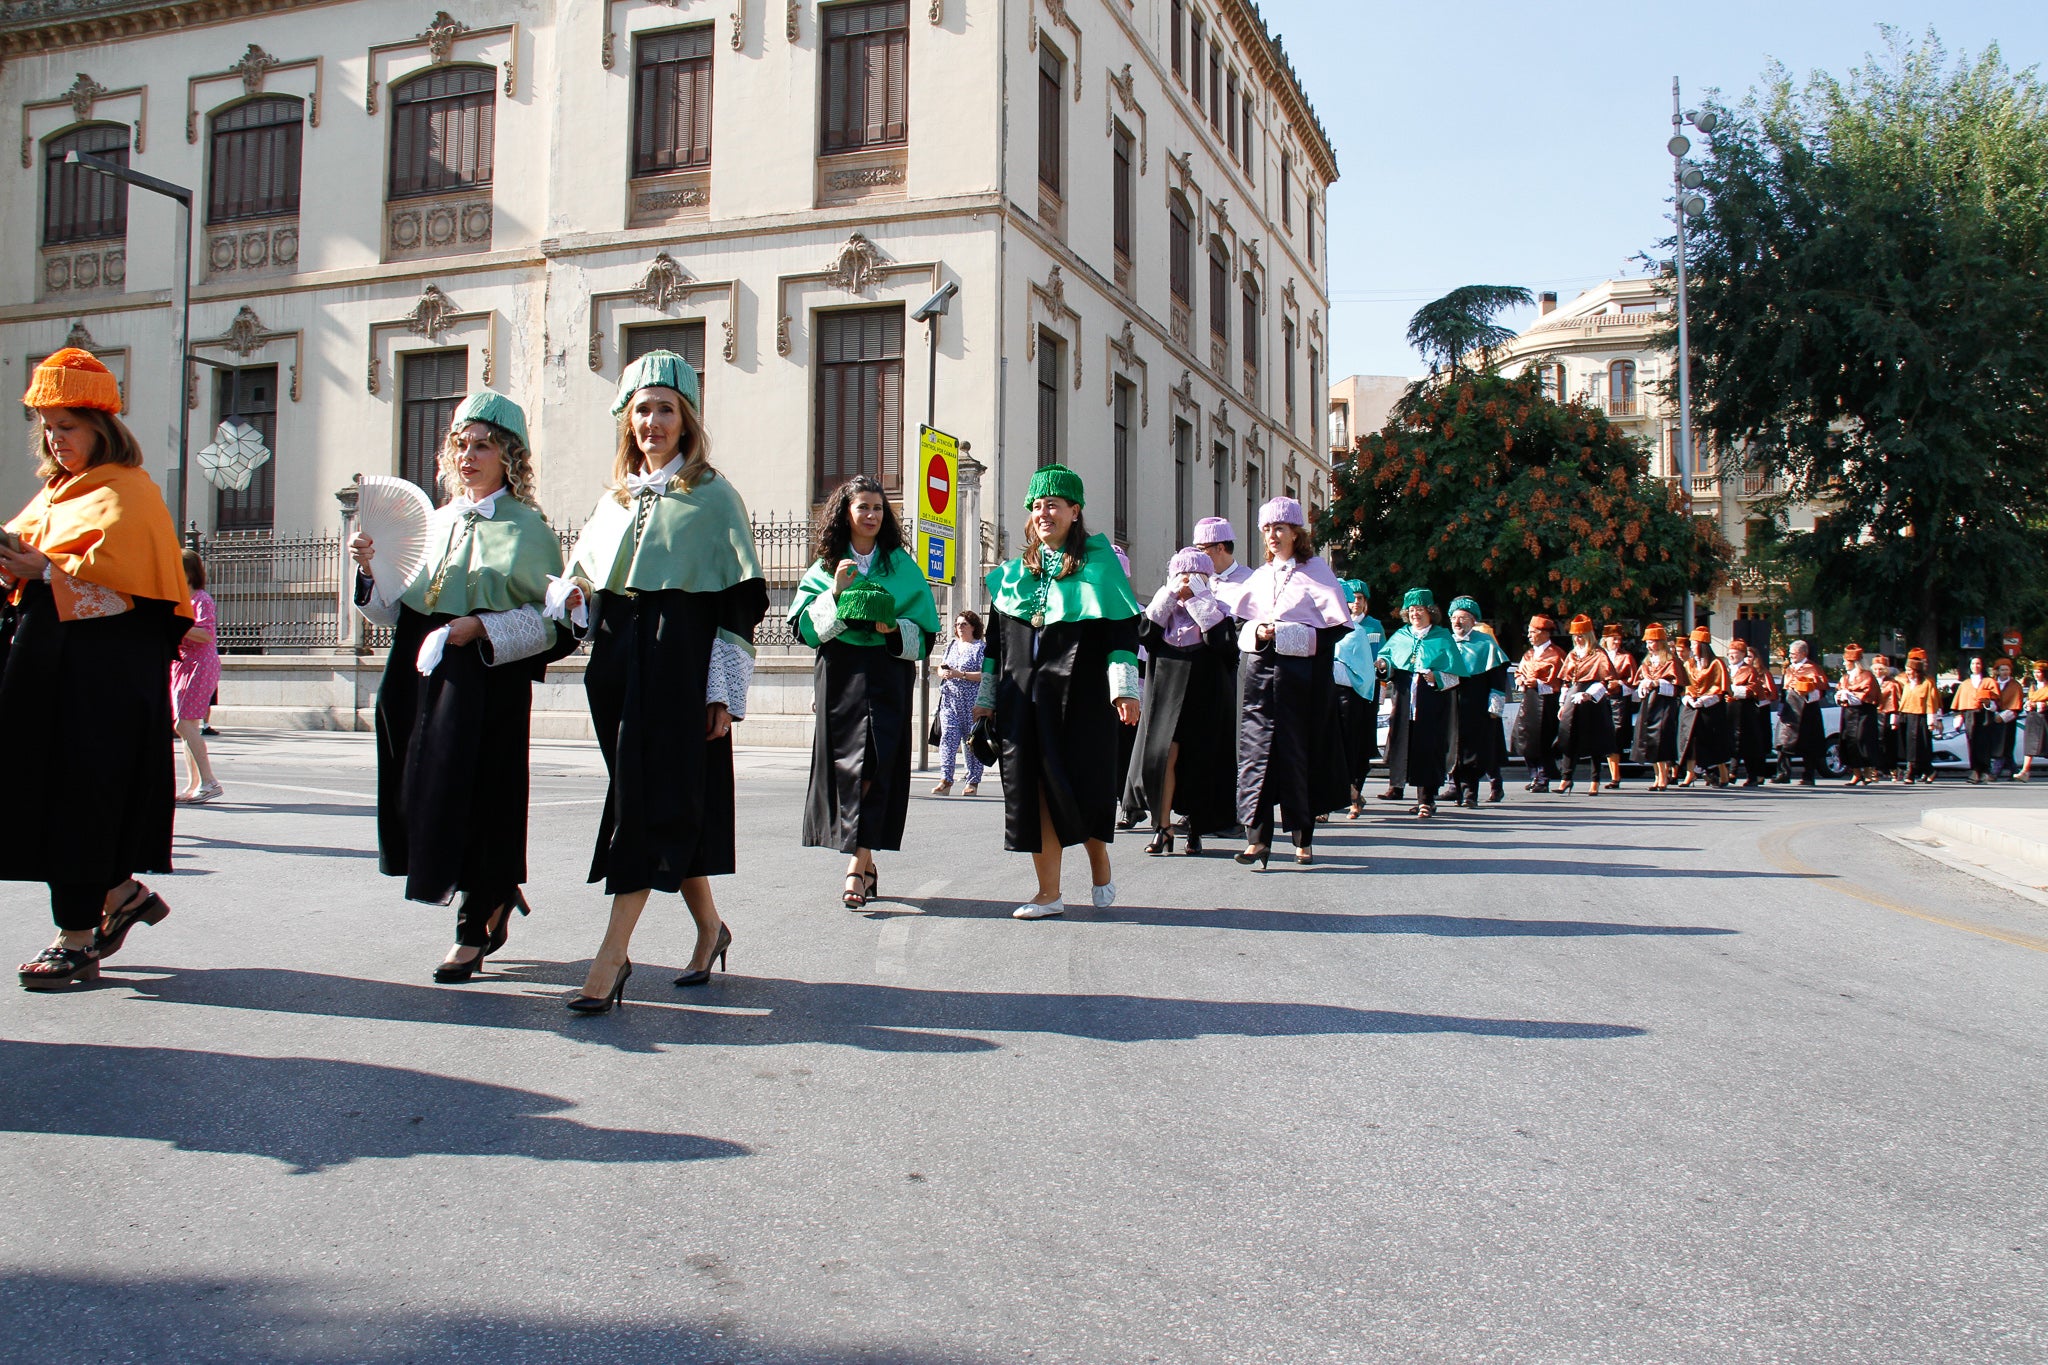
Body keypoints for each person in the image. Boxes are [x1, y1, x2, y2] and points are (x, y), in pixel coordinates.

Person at [545, 351, 768, 1011]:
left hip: (681, 669)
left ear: (687, 418)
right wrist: (574, 598)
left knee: (645, 806)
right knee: (666, 802)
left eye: (665, 408)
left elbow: (740, 600)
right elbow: (587, 584)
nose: (652, 421)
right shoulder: (612, 499)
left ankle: (610, 958)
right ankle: (709, 927)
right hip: (616, 666)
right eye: (642, 409)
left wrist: (722, 690)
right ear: (627, 420)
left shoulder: (714, 493)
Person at [351, 391, 571, 982]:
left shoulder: (529, 528)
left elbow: (555, 622)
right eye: (461, 444)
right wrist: (371, 572)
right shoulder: (435, 521)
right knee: (421, 786)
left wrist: (479, 626)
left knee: (482, 791)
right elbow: (396, 613)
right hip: (416, 674)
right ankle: (482, 893)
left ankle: (479, 914)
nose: (469, 455)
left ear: (510, 457)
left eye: (483, 446)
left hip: (483, 677)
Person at [2, 349, 193, 990]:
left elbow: (147, 601)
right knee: (52, 796)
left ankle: (78, 937)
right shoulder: (58, 492)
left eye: (68, 426)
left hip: (101, 688)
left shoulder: (128, 493)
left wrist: (48, 572)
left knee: (83, 799)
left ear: (102, 427)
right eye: (48, 427)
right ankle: (119, 895)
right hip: (44, 674)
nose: (56, 440)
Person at [973, 465, 1141, 918]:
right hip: (1023, 702)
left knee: (1081, 790)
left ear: (1074, 511)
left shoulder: (1101, 567)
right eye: (1037, 506)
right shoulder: (1009, 576)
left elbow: (1122, 637)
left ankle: (1099, 860)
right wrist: (986, 699)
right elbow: (995, 645)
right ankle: (1049, 893)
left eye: (1053, 505)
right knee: (1036, 795)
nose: (1044, 513)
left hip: (1083, 701)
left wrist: (1125, 692)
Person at [788, 475, 941, 909]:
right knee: (847, 767)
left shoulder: (901, 566)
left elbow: (925, 634)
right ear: (846, 513)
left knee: (878, 762)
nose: (872, 515)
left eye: (878, 508)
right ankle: (863, 862)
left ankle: (858, 863)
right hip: (841, 673)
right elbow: (805, 630)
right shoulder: (824, 566)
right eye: (863, 508)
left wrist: (893, 627)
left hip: (888, 673)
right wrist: (836, 593)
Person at [1228, 498, 1352, 866]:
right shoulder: (1261, 576)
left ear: (1297, 533)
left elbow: (1335, 629)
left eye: (1280, 528)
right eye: (1267, 529)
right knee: (1256, 754)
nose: (1273, 536)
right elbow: (1238, 624)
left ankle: (1303, 837)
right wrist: (1260, 631)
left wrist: (1286, 635)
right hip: (1261, 678)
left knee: (1300, 755)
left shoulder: (1317, 571)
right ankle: (1257, 839)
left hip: (1303, 681)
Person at [1128, 548, 1237, 855]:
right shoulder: (1160, 617)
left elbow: (1224, 647)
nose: (1186, 581)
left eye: (1195, 576)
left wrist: (1197, 601)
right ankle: (1162, 828)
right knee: (1162, 760)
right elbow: (1144, 635)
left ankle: (1196, 829)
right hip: (1165, 699)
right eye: (1180, 575)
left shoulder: (1219, 612)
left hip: (1204, 700)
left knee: (1199, 762)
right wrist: (1168, 597)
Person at [1379, 589, 1465, 819]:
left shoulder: (1442, 637)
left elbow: (1456, 675)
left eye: (1420, 609)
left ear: (1430, 611)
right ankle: (1399, 788)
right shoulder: (1400, 636)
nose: (1415, 614)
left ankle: (1427, 800)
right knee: (1406, 747)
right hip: (1405, 699)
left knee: (1429, 749)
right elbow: (1387, 661)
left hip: (1432, 703)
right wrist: (1383, 664)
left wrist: (1436, 677)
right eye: (1412, 610)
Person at [1444, 597, 1509, 808]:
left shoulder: (1485, 643)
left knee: (1473, 749)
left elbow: (1498, 679)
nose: (1457, 622)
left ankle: (1471, 791)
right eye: (1454, 617)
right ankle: (1455, 788)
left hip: (1476, 706)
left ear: (1472, 620)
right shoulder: (1445, 642)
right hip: (1451, 705)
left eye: (1462, 618)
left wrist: (1495, 707)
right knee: (1451, 747)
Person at [171, 548, 224, 803]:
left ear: (189, 572)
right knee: (186, 725)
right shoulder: (180, 599)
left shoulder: (201, 599)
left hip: (199, 664)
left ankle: (209, 781)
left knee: (184, 722)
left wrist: (175, 623)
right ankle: (194, 784)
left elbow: (204, 634)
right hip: (182, 664)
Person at [1331, 580, 1383, 818]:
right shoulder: (1321, 626)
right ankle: (1327, 804)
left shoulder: (1357, 631)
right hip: (1326, 697)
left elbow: (1359, 673)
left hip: (1351, 700)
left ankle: (1353, 794)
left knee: (1351, 750)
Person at [1555, 615, 1617, 795]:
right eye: (1575, 636)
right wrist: (1562, 704)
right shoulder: (1572, 655)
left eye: (1581, 635)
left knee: (1595, 741)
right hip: (1572, 700)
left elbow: (1606, 681)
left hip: (1592, 701)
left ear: (1589, 635)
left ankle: (1595, 780)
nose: (1577, 639)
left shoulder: (1599, 653)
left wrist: (1589, 694)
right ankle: (1566, 778)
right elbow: (1566, 682)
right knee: (1568, 737)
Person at [932, 611, 987, 796]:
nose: (959, 627)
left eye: (964, 624)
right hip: (950, 700)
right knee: (948, 738)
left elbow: (984, 675)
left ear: (973, 626)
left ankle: (973, 781)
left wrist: (960, 674)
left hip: (971, 702)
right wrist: (943, 672)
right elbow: (942, 666)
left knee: (971, 741)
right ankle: (946, 779)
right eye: (957, 624)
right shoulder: (952, 645)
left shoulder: (980, 647)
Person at [1511, 615, 1565, 792]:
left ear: (1544, 633)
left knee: (1541, 739)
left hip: (1546, 703)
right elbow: (1518, 672)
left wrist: (1539, 683)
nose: (1529, 636)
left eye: (1533, 632)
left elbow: (1558, 682)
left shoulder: (1556, 654)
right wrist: (1521, 680)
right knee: (1524, 738)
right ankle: (1534, 774)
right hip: (1528, 700)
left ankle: (1543, 777)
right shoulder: (1529, 654)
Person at [1676, 627, 1733, 787]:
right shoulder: (1689, 664)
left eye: (1694, 644)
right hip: (1692, 706)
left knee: (1713, 741)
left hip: (1711, 707)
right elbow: (1685, 685)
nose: (1692, 647)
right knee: (1691, 741)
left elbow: (1719, 687)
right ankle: (1690, 773)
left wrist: (1705, 700)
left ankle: (1722, 774)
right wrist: (1688, 698)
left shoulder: (1716, 664)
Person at [1631, 624, 1684, 789]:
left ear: (1660, 642)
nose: (1648, 645)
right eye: (1647, 642)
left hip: (1663, 704)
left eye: (1652, 641)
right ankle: (1656, 775)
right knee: (1649, 739)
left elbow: (1676, 686)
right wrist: (1643, 686)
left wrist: (1656, 683)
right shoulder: (1647, 662)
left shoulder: (1670, 661)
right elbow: (1637, 681)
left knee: (1661, 738)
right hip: (1648, 703)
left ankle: (1663, 776)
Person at [1777, 640, 1830, 786]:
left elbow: (1821, 691)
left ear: (1804, 653)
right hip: (1789, 711)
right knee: (1784, 741)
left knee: (1808, 744)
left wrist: (1806, 694)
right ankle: (1783, 773)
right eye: (1790, 653)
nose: (1791, 655)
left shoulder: (1813, 669)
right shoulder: (1788, 669)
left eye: (1794, 653)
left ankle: (1808, 775)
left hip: (1807, 712)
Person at [1726, 637, 1778, 787]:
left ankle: (1752, 775)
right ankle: (1729, 772)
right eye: (1730, 653)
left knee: (1748, 745)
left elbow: (1755, 689)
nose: (1731, 656)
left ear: (1742, 654)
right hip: (1729, 711)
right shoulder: (1726, 669)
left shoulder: (1750, 670)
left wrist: (1734, 691)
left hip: (1745, 712)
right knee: (1730, 743)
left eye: (1735, 653)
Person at [1833, 644, 1884, 786]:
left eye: (1845, 661)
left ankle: (1868, 773)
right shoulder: (1845, 678)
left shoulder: (1867, 676)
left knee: (1863, 741)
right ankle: (1856, 773)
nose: (1843, 663)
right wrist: (1840, 696)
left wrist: (1849, 695)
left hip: (1864, 714)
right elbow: (1839, 691)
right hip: (1849, 714)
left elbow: (1868, 695)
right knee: (1849, 742)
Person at [1950, 657, 2006, 784]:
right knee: (1972, 741)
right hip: (1970, 715)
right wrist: (1959, 717)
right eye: (1973, 663)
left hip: (1985, 714)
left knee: (1984, 743)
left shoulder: (1989, 682)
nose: (1975, 666)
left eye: (1978, 663)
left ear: (1982, 665)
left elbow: (1996, 703)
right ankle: (1975, 769)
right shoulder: (1965, 684)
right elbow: (1960, 704)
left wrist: (1987, 702)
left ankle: (1984, 769)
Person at [1895, 649, 1942, 784]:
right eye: (1907, 670)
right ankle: (1928, 770)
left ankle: (1911, 772)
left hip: (1920, 717)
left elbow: (1931, 701)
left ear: (1917, 671)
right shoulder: (1908, 684)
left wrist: (1932, 720)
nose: (1908, 673)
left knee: (1919, 746)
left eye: (1910, 670)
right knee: (1909, 746)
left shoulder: (1927, 683)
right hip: (1907, 716)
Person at [1601, 623, 1638, 789]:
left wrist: (1619, 684)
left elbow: (1633, 682)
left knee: (1616, 733)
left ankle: (1615, 776)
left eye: (1619, 639)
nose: (1616, 642)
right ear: (1606, 639)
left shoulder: (1626, 657)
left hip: (1619, 700)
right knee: (1604, 733)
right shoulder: (1599, 656)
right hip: (1602, 698)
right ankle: (1611, 774)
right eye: (1613, 639)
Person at [1990, 659, 2025, 779]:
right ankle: (2014, 770)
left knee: (2005, 745)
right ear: (1998, 671)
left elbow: (2017, 705)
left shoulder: (2015, 685)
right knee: (2001, 747)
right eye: (2002, 669)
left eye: (2007, 669)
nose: (2005, 672)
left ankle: (1995, 772)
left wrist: (2003, 716)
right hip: (1994, 717)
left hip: (2008, 719)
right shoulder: (1993, 683)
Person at [1873, 654, 1903, 781]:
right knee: (1875, 742)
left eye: (1881, 669)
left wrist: (1895, 716)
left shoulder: (1892, 683)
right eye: (1875, 669)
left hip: (1887, 714)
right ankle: (1876, 768)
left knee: (1888, 742)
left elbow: (1896, 701)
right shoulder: (1871, 681)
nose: (1878, 672)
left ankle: (1892, 768)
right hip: (1874, 714)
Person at [2020, 659, 2048, 782]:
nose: (2036, 675)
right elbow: (2027, 701)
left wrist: (2044, 704)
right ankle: (2025, 771)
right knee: (2029, 746)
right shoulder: (2033, 686)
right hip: (2033, 719)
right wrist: (2028, 705)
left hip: (2045, 719)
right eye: (2035, 672)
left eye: (2039, 672)